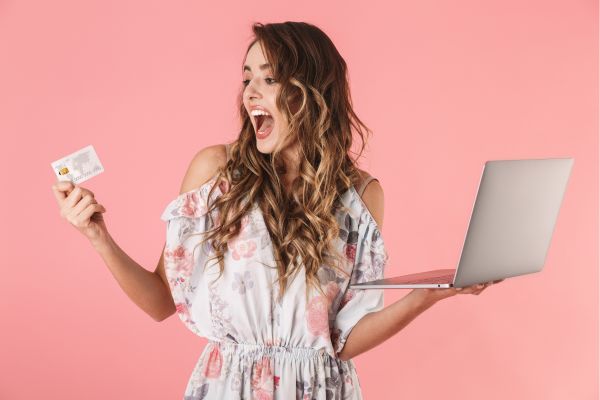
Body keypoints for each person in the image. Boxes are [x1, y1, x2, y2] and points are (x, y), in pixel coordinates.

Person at [51, 21, 503, 400]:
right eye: (246, 77)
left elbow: (341, 341)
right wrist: (97, 236)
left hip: (322, 389)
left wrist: (429, 295)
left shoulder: (361, 196)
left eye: (268, 79)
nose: (250, 92)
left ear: (311, 91)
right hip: (228, 387)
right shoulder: (215, 173)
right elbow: (160, 302)